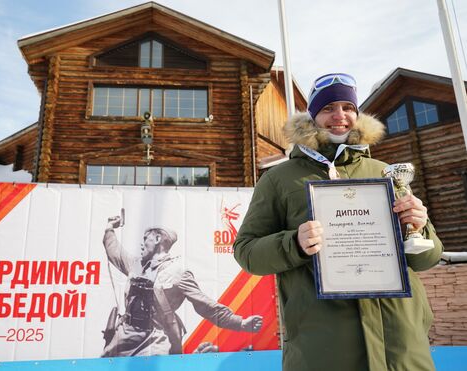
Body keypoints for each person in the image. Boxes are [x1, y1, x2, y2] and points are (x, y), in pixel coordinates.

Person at [233, 73, 443, 371]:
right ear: (313, 116)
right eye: (329, 108)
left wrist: (419, 228)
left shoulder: (385, 172)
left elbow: (427, 259)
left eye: (347, 107)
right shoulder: (279, 179)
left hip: (401, 345)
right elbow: (247, 251)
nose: (339, 116)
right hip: (323, 349)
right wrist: (294, 244)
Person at [102, 215, 263, 357]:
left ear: (158, 239)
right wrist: (110, 228)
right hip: (123, 336)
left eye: (146, 238)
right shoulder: (135, 264)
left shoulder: (178, 273)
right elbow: (114, 251)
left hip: (153, 342)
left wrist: (240, 323)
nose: (142, 243)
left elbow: (206, 306)